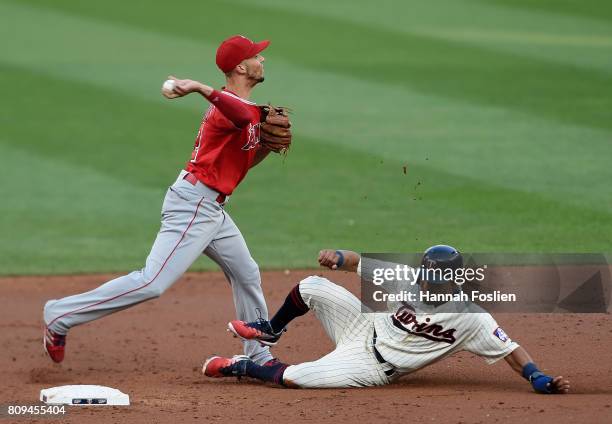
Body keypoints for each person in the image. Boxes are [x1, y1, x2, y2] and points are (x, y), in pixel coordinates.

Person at [43, 35, 281, 367]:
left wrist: (266, 149)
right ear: (241, 67)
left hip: (211, 207)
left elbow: (241, 162)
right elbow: (239, 116)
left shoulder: (242, 109)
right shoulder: (225, 108)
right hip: (194, 204)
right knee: (152, 282)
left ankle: (258, 354)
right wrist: (200, 87)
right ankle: (60, 315)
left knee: (246, 273)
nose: (263, 60)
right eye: (257, 56)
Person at [203, 246, 570, 393]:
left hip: (371, 366)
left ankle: (246, 366)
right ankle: (272, 330)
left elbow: (509, 348)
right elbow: (357, 262)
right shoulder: (406, 277)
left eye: (434, 280)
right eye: (424, 276)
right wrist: (337, 256)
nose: (425, 283)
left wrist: (535, 375)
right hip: (362, 328)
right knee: (312, 285)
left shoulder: (470, 318)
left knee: (297, 376)